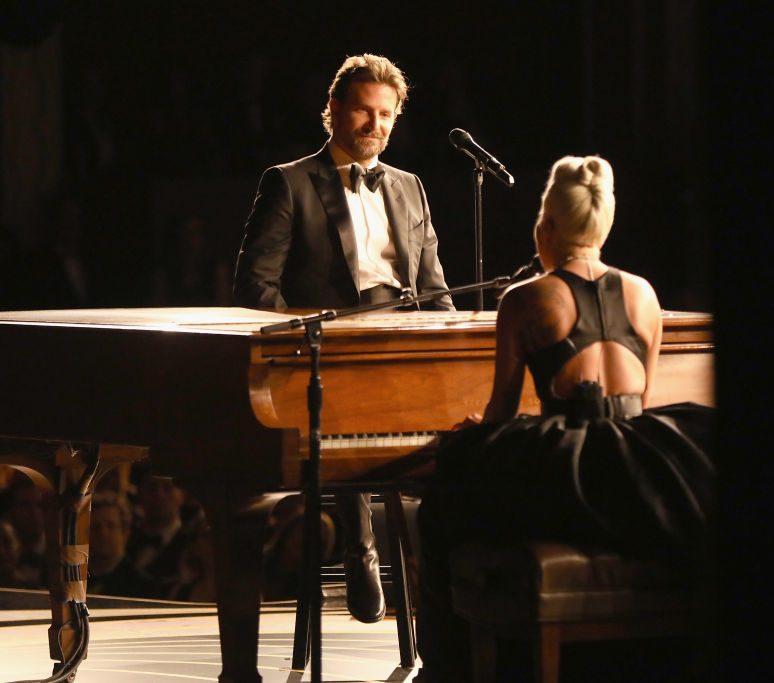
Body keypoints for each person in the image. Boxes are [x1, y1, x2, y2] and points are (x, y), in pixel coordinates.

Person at [412, 156, 716, 682]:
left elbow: (501, 411)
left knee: (440, 497)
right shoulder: (645, 295)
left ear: (546, 226)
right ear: (603, 225)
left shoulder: (525, 298)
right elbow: (641, 399)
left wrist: (475, 435)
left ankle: (453, 670)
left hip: (572, 471)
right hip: (641, 463)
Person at [233, 53, 454, 624]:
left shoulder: (410, 187)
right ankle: (360, 549)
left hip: (403, 340)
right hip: (330, 346)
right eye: (363, 110)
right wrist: (298, 345)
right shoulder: (289, 182)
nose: (375, 124)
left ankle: (444, 570)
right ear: (333, 108)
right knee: (347, 405)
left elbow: (435, 289)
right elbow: (255, 284)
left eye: (386, 115)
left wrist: (453, 353)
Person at [88, 492, 160, 598]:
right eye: (96, 527)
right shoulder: (76, 579)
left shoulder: (141, 585)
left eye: (110, 526)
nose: (103, 533)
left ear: (125, 532)